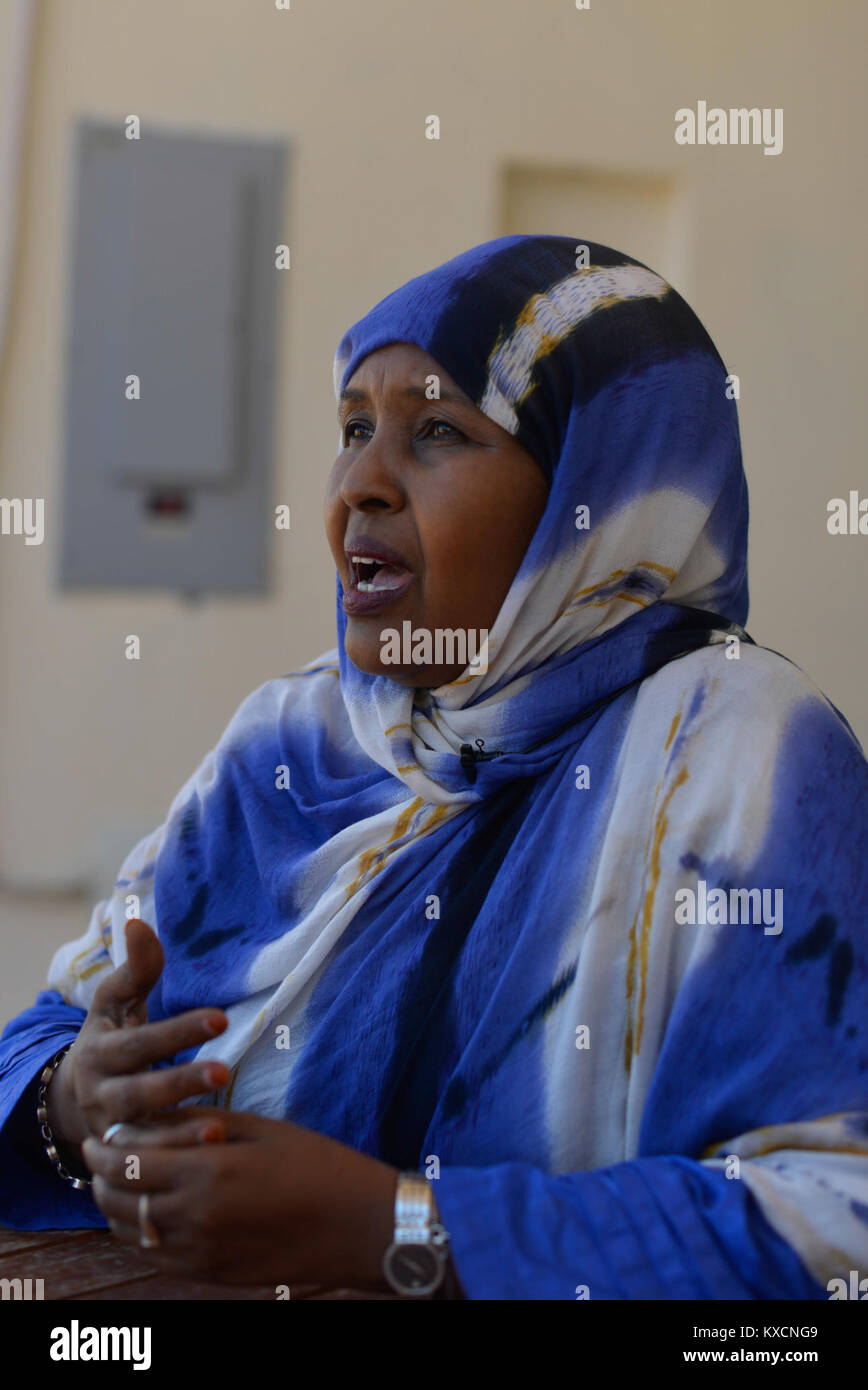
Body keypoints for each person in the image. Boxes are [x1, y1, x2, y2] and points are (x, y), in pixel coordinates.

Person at [0, 233, 865, 1300]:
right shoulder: (297, 740)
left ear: (596, 490)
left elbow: (837, 1232)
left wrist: (399, 1231)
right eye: (354, 426)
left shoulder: (740, 753)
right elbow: (52, 1028)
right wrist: (73, 1104)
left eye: (438, 431)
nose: (360, 484)